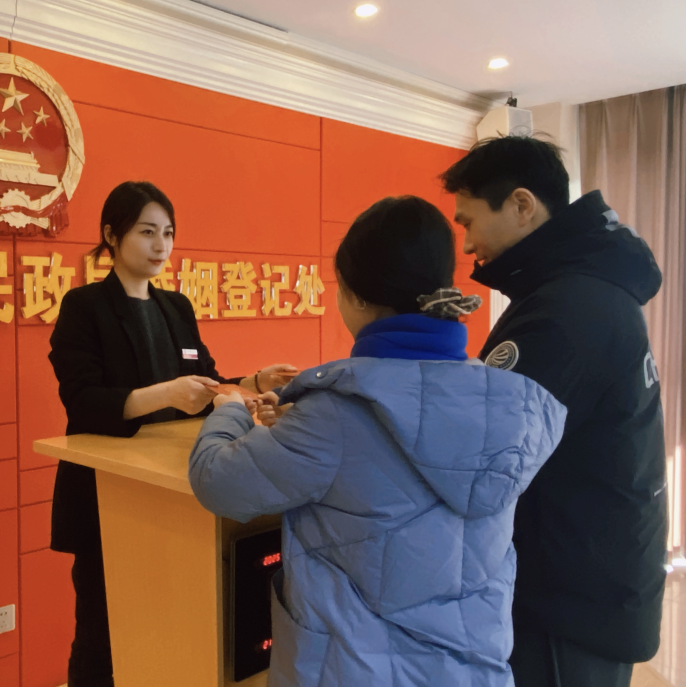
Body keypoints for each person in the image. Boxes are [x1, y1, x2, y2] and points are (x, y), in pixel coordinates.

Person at [188, 195, 566, 686]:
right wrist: (301, 423)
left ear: (359, 298)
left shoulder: (335, 414)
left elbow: (217, 480)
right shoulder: (503, 401)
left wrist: (229, 410)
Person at [47, 180, 296, 687]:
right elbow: (83, 400)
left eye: (168, 233)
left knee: (167, 632)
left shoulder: (176, 306)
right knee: (100, 633)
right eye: (146, 232)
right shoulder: (84, 306)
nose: (160, 245)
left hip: (175, 495)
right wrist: (164, 394)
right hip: (109, 495)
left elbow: (205, 382)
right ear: (111, 235)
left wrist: (252, 383)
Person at [441, 135, 668, 687]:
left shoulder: (564, 311)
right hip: (593, 579)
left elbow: (485, 455)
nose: (466, 245)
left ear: (522, 204)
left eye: (469, 222)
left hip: (568, 601)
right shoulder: (585, 291)